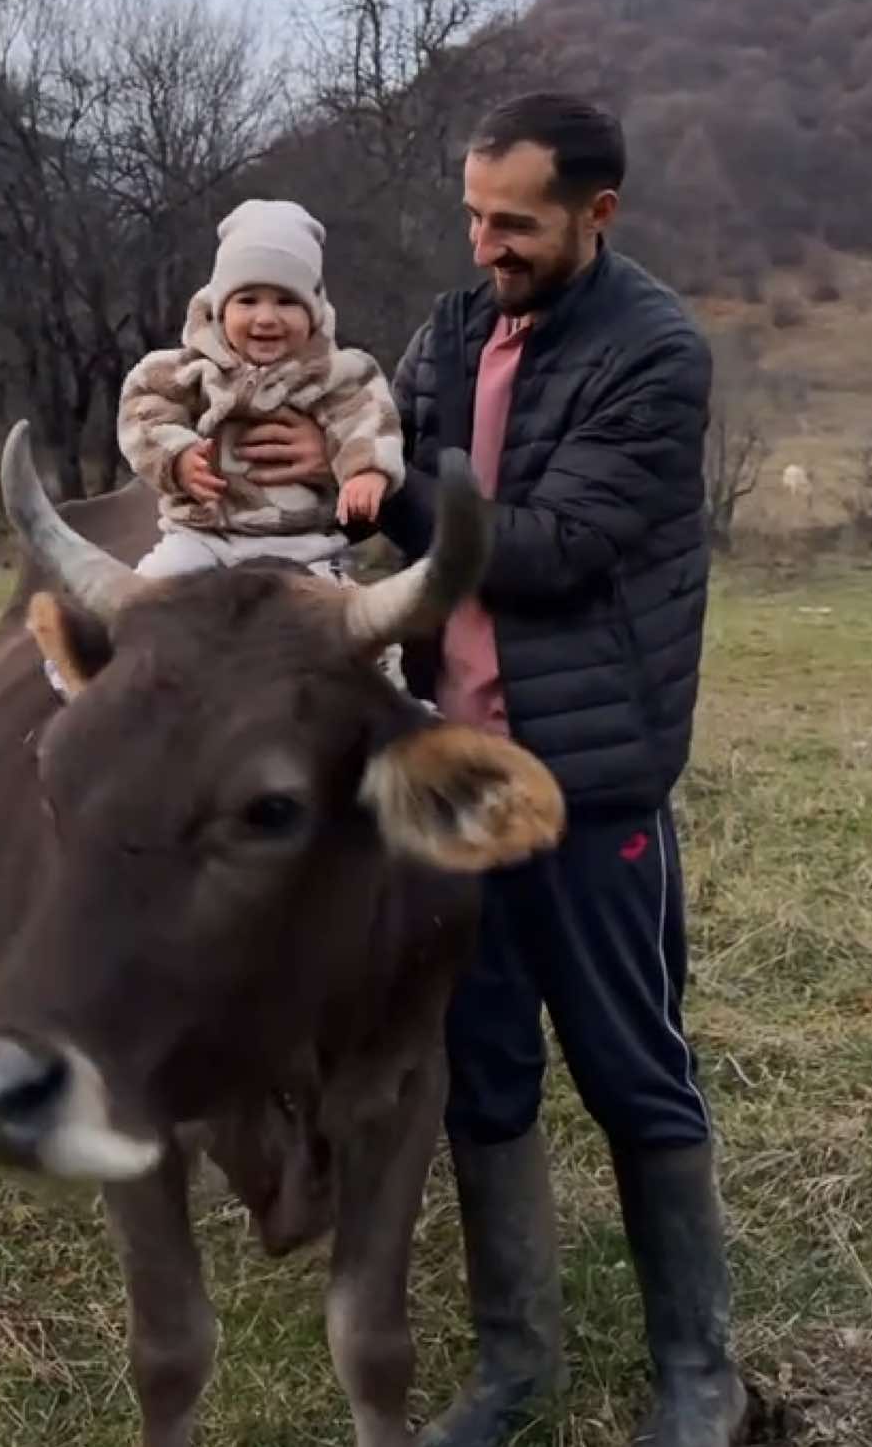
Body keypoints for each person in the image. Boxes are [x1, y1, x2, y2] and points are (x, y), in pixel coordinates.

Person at [228, 93, 748, 1447]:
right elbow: (376, 438)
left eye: (513, 222)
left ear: (596, 214)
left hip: (585, 784)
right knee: (486, 1062)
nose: (486, 243)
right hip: (447, 777)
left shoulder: (654, 352)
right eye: (472, 215)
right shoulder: (454, 329)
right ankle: (516, 1365)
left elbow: (551, 545)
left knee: (634, 1067)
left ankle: (700, 1373)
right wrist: (301, 454)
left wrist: (385, 490)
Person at [115, 196, 413, 686]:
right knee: (141, 601)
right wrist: (178, 456)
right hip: (202, 537)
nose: (267, 318)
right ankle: (91, 680)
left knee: (359, 633)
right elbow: (143, 411)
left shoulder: (338, 374)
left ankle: (393, 703)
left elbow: (368, 419)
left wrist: (366, 471)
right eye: (248, 300)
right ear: (219, 306)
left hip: (302, 545)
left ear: (314, 310)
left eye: (287, 301)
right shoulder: (187, 369)